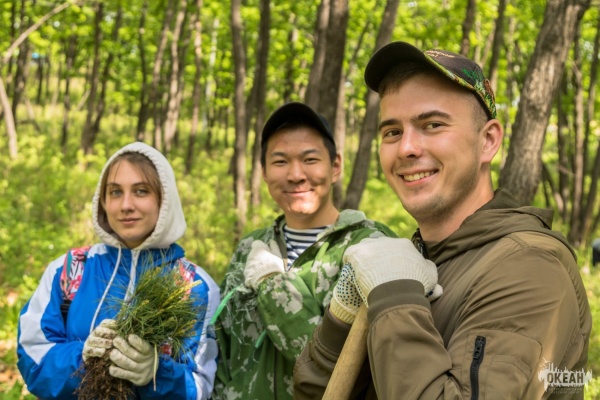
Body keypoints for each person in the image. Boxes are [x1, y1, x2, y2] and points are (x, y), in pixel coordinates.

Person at [294, 41, 592, 399]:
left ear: (488, 141)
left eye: (432, 125)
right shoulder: (424, 257)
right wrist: (341, 316)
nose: (406, 148)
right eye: (392, 132)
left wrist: (395, 296)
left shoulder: (529, 266)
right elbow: (316, 391)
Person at [212, 102, 396, 399]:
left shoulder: (369, 247)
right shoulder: (250, 247)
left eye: (310, 159)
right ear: (264, 171)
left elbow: (347, 371)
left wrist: (273, 286)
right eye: (280, 161)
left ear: (335, 166)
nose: (296, 175)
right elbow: (221, 349)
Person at [17, 142, 220, 399]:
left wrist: (157, 374)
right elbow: (33, 356)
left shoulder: (194, 287)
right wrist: (82, 358)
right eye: (115, 192)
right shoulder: (70, 270)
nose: (126, 205)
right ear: (102, 201)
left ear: (165, 199)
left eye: (141, 191)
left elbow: (202, 386)